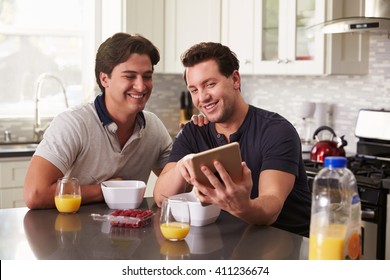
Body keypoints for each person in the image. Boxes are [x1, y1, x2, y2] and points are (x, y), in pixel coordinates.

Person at [153, 42, 311, 236]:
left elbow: (271, 207)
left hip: (286, 243)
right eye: (194, 90)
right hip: (232, 241)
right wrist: (182, 166)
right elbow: (161, 198)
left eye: (210, 84)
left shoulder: (276, 131)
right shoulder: (194, 131)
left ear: (235, 79)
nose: (202, 98)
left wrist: (242, 206)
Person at [24, 33, 172, 209]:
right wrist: (105, 190)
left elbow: (176, 189)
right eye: (130, 76)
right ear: (104, 79)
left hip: (131, 231)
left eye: (147, 76)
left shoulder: (154, 128)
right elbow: (35, 193)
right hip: (71, 233)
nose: (141, 86)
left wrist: (196, 136)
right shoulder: (74, 123)